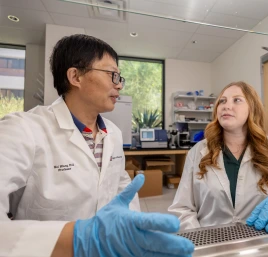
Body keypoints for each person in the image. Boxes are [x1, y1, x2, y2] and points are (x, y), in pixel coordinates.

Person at [0, 34, 194, 257]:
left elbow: (122, 188)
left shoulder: (112, 133)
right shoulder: (22, 130)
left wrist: (130, 231)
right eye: (112, 75)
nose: (119, 85)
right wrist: (77, 240)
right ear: (75, 76)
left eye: (119, 77)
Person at [169, 81, 268, 234]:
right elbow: (182, 208)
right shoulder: (199, 151)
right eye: (222, 101)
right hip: (211, 245)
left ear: (252, 108)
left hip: (264, 243)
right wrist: (199, 243)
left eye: (237, 100)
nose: (226, 106)